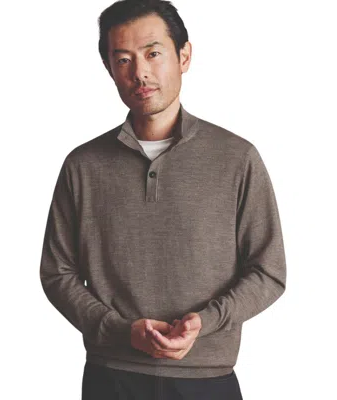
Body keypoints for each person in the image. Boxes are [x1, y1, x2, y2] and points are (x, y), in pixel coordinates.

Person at [39, 0, 287, 398]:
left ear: (184, 56)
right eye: (123, 59)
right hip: (111, 377)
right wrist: (121, 331)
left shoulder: (237, 158)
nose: (140, 72)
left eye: (153, 53)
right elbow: (57, 273)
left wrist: (205, 323)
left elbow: (268, 271)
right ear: (108, 68)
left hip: (207, 379)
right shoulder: (83, 165)